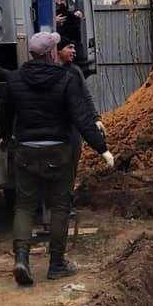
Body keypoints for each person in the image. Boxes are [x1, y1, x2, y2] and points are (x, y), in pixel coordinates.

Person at [0, 31, 113, 285]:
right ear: (51, 53)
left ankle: (21, 259)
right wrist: (101, 148)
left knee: (25, 206)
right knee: (60, 205)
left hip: (26, 151)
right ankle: (57, 264)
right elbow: (80, 117)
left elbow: (4, 115)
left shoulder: (15, 80)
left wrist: (5, 138)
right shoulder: (66, 78)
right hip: (59, 152)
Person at [57, 37, 104, 202]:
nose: (74, 51)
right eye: (70, 47)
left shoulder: (75, 71)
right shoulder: (50, 72)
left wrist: (96, 118)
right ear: (58, 51)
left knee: (71, 165)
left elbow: (86, 97)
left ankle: (67, 202)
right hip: (57, 129)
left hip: (74, 129)